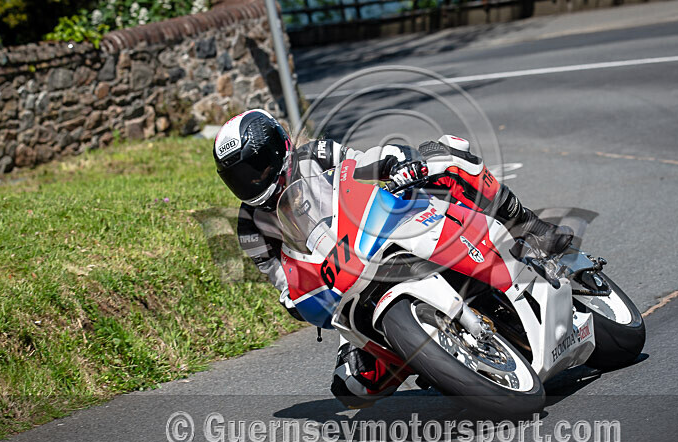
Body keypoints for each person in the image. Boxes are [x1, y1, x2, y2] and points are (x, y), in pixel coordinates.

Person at [213, 109, 572, 409]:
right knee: (352, 389)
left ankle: (528, 225)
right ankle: (435, 358)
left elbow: (362, 163)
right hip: (344, 285)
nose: (254, 180)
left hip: (379, 229)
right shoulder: (251, 228)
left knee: (447, 157)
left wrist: (396, 162)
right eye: (240, 178)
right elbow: (281, 280)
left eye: (257, 166)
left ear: (279, 149)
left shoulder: (315, 155)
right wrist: (299, 300)